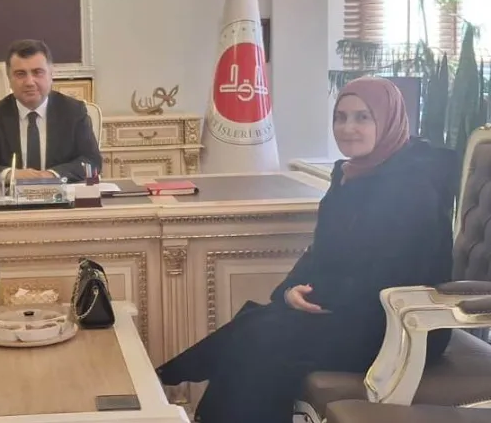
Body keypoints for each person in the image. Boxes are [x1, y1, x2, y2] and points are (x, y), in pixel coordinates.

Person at [156, 76, 457, 423]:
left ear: (388, 121)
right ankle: (181, 382)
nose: (347, 128)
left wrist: (319, 295)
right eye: (340, 117)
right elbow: (321, 252)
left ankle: (172, 375)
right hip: (352, 310)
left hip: (401, 326)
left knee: (259, 339)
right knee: (257, 332)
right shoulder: (351, 174)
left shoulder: (413, 186)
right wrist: (290, 291)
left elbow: (392, 273)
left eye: (362, 117)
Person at [0, 39, 102, 183]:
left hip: (61, 195)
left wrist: (52, 175)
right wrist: (12, 175)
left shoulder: (73, 111)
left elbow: (92, 161)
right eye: (20, 74)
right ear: (9, 78)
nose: (29, 82)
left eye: (38, 72)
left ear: (51, 75)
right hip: (11, 195)